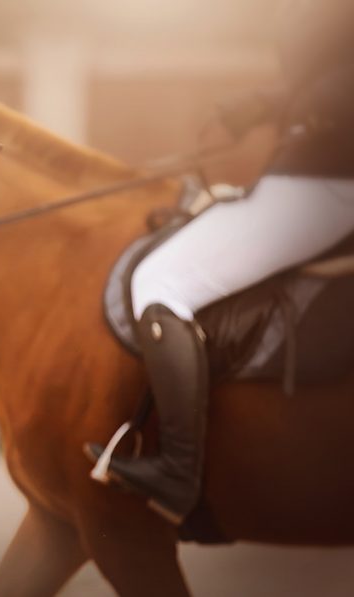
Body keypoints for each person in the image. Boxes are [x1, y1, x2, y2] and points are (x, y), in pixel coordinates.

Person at [90, 0, 354, 524]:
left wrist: (295, 108)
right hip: (309, 169)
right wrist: (266, 103)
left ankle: (177, 472)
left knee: (161, 282)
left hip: (327, 180)